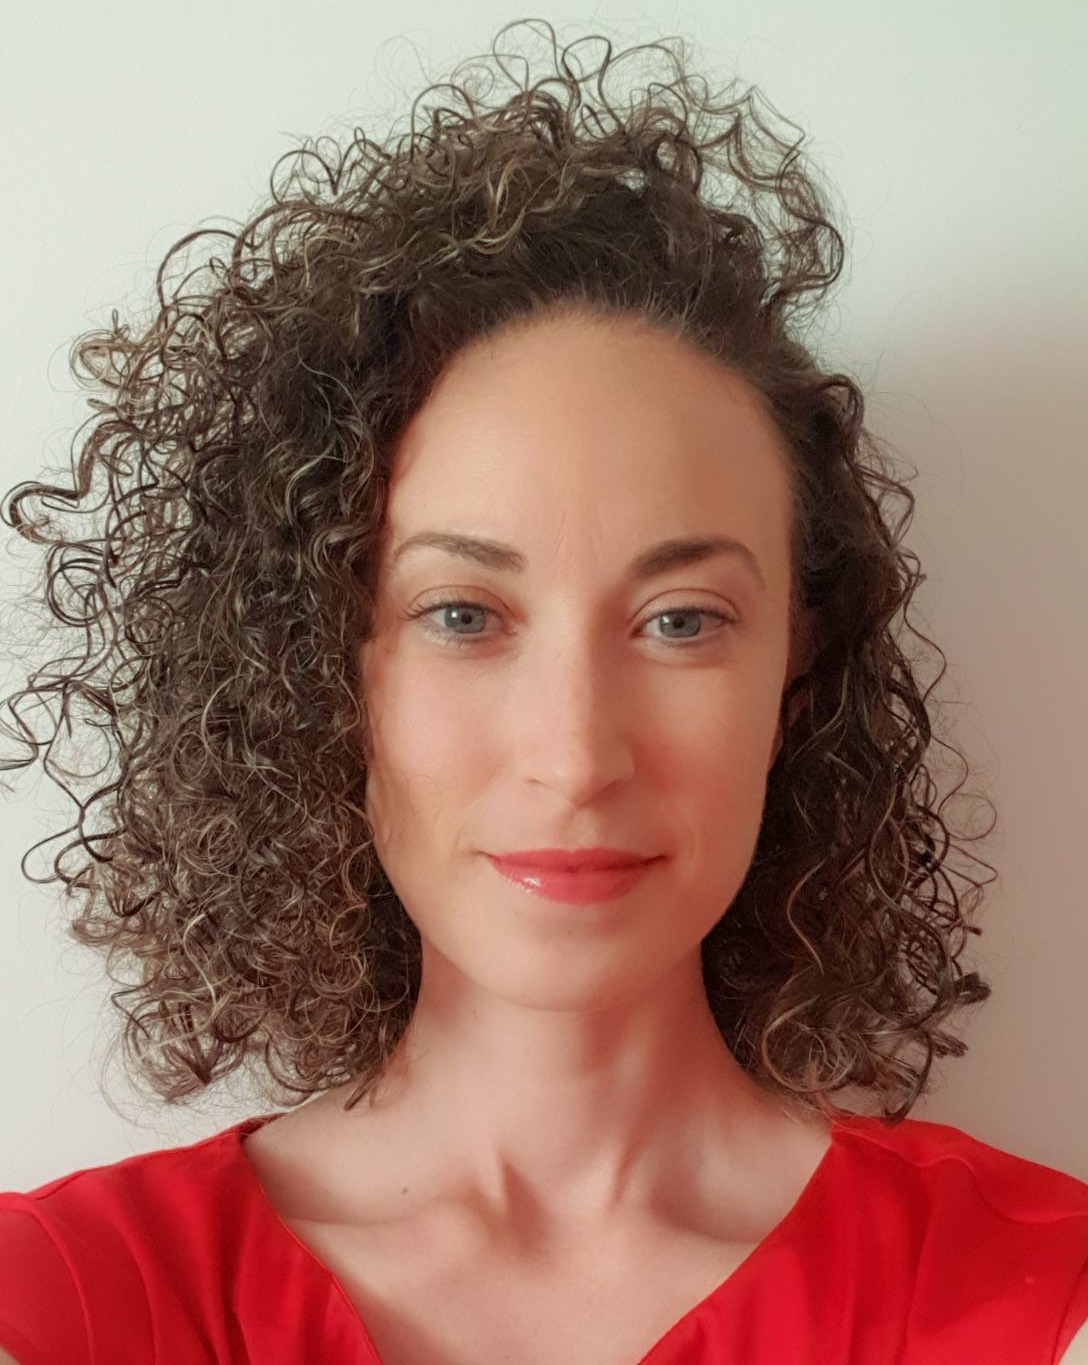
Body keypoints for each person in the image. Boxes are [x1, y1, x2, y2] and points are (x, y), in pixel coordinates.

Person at [0, 19, 1086, 1365]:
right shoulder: (70, 1299)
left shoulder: (1030, 1298)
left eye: (681, 621)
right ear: (322, 663)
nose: (574, 756)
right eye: (462, 615)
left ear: (796, 671)